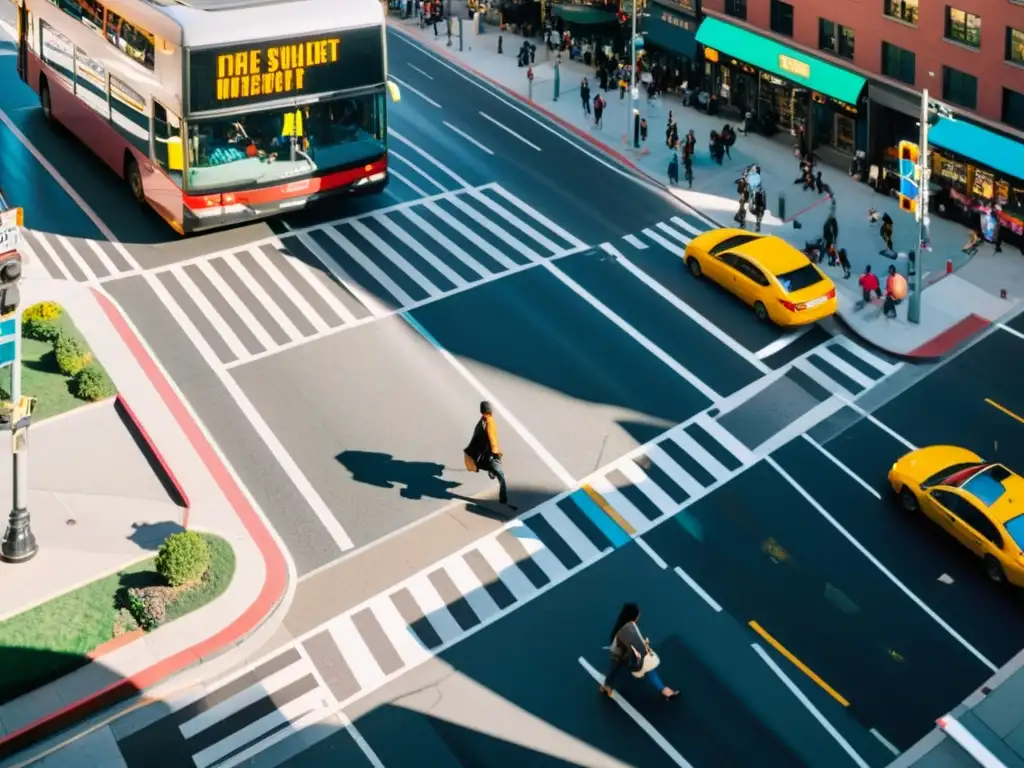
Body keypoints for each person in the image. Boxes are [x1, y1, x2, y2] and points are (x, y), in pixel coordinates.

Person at [599, 603, 679, 701]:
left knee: (615, 668)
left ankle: (607, 686)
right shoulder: (629, 629)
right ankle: (663, 689)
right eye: (638, 614)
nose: (640, 615)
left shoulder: (626, 626)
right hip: (622, 655)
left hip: (624, 653)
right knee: (645, 666)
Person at [464, 401, 514, 508]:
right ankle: (503, 498)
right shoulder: (490, 422)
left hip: (482, 456)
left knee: (487, 467)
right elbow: (493, 440)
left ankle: (491, 470)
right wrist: (497, 454)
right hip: (490, 455)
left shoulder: (481, 423)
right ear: (490, 410)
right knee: (501, 475)